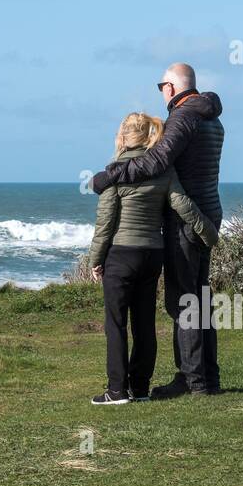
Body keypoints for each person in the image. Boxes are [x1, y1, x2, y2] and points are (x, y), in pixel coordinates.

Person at [90, 63, 226, 396]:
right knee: (201, 298)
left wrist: (111, 175)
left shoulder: (184, 117)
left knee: (184, 301)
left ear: (171, 87)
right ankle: (208, 377)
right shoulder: (213, 118)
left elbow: (156, 161)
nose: (161, 92)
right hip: (208, 212)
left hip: (186, 220)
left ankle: (192, 382)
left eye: (161, 85)